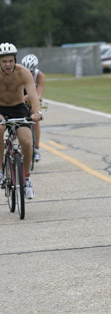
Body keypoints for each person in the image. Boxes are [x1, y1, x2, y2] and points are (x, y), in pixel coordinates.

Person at [0, 43, 42, 198]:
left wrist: (36, 112)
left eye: (10, 61)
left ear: (15, 59)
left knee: (26, 141)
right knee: (0, 128)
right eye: (4, 62)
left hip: (18, 107)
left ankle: (26, 179)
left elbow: (32, 95)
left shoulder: (23, 73)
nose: (8, 64)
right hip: (0, 108)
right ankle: (0, 171)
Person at [22, 53, 45, 161]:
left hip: (33, 97)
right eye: (27, 70)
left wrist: (33, 98)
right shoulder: (20, 73)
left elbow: (39, 95)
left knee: (35, 120)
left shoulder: (39, 76)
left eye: (31, 71)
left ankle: (36, 147)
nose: (29, 73)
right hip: (21, 96)